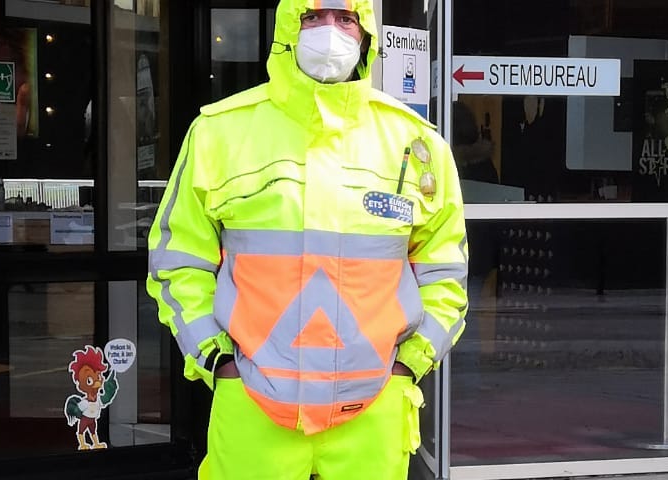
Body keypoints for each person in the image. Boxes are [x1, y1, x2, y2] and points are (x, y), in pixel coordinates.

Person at [146, 1, 468, 478]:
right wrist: (216, 359)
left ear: (366, 33)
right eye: (312, 18)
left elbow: (444, 271)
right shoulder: (220, 132)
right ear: (287, 30)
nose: (329, 32)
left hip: (374, 410)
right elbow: (178, 260)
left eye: (345, 18)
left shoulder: (415, 144)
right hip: (253, 403)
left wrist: (410, 364)